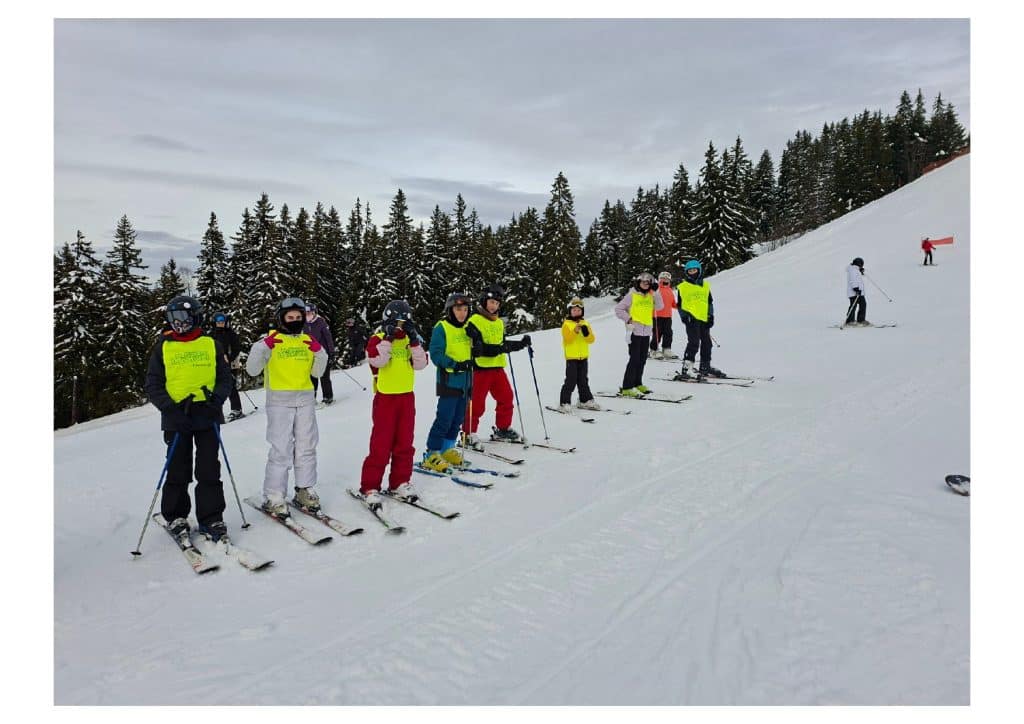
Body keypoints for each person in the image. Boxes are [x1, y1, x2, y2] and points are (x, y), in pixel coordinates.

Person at [144, 295, 233, 541]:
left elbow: (225, 378)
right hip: (177, 417)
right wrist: (169, 409)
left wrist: (216, 401)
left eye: (183, 317)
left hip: (207, 414)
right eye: (173, 318)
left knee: (208, 468)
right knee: (177, 468)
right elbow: (153, 384)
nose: (178, 323)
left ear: (195, 317)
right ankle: (176, 516)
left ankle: (211, 517)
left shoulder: (211, 344)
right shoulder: (163, 346)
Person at [245, 297, 328, 515]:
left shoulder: (307, 341)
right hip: (279, 402)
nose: (295, 320)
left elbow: (318, 372)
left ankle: (304, 489)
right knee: (281, 449)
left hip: (305, 400)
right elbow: (252, 369)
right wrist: (263, 347)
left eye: (298, 317)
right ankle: (274, 496)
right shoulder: (271, 341)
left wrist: (319, 352)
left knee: (307, 446)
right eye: (290, 317)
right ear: (281, 319)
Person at [357, 300, 429, 511]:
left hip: (406, 398)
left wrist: (413, 340)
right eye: (396, 322)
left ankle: (400, 482)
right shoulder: (377, 339)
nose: (400, 327)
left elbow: (421, 364)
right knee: (381, 444)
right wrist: (388, 338)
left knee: (405, 442)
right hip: (386, 399)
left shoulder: (409, 341)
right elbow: (377, 361)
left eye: (403, 323)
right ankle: (370, 486)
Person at [463, 284, 532, 448]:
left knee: (506, 397)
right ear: (484, 301)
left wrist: (520, 344)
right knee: (477, 404)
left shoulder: (499, 323)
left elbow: (501, 344)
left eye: (497, 303)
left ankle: (503, 429)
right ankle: (468, 433)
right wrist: (503, 348)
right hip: (480, 369)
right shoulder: (474, 321)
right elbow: (482, 349)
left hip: (497, 369)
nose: (494, 306)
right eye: (491, 302)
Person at [421, 292, 476, 474]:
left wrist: (477, 339)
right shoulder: (442, 327)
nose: (462, 313)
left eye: (465, 309)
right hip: (449, 381)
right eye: (458, 309)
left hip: (466, 382)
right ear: (451, 310)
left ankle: (447, 449)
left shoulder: (468, 327)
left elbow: (476, 350)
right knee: (444, 418)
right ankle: (432, 453)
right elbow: (436, 354)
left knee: (458, 418)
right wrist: (455, 364)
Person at [673, 260, 725, 380]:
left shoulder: (705, 285)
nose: (692, 272)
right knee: (694, 343)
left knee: (707, 343)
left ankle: (705, 367)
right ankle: (687, 368)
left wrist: (710, 316)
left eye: (694, 270)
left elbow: (709, 302)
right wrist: (684, 317)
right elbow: (679, 305)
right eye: (690, 271)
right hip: (691, 319)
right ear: (687, 273)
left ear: (699, 270)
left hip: (703, 318)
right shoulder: (683, 287)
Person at [614, 272, 663, 397]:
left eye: (648, 283)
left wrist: (656, 293)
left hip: (646, 332)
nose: (645, 284)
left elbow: (660, 306)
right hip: (634, 331)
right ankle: (627, 387)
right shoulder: (632, 295)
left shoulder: (651, 295)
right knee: (634, 359)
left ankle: (637, 383)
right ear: (638, 283)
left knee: (642, 359)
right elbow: (618, 309)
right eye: (643, 282)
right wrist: (628, 319)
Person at [559, 297, 599, 412]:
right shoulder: (566, 324)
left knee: (583, 380)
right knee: (571, 380)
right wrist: (575, 331)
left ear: (582, 311)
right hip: (572, 358)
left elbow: (591, 340)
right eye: (574, 310)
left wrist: (586, 333)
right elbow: (568, 339)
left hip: (583, 357)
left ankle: (584, 400)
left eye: (579, 310)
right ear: (570, 311)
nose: (576, 312)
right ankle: (564, 402)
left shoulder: (585, 323)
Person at [208, 311, 244, 421]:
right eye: (218, 321)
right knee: (216, 388)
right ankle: (218, 413)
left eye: (222, 321)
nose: (221, 323)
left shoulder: (230, 334)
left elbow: (236, 348)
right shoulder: (211, 335)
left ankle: (236, 409)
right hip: (216, 364)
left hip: (230, 364)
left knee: (231, 386)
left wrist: (229, 358)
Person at [304, 302, 336, 405]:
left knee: (324, 376)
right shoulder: (303, 324)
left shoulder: (320, 322)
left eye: (310, 313)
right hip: (310, 355)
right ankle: (311, 398)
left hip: (323, 354)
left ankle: (328, 397)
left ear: (314, 313)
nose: (308, 315)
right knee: (312, 378)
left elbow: (328, 338)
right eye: (306, 313)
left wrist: (331, 353)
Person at [650, 271, 678, 359]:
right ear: (659, 279)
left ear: (669, 280)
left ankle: (666, 349)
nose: (665, 280)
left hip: (668, 316)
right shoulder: (655, 289)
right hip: (657, 316)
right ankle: (654, 350)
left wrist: (680, 305)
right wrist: (652, 291)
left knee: (668, 333)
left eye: (667, 278)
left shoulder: (670, 290)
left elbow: (673, 304)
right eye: (663, 278)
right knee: (657, 333)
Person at [845, 257, 868, 326]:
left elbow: (857, 278)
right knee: (853, 306)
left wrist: (860, 271)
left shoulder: (855, 270)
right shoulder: (852, 270)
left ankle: (861, 320)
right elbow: (853, 280)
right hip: (854, 292)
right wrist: (856, 289)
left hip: (859, 292)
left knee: (863, 304)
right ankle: (850, 321)